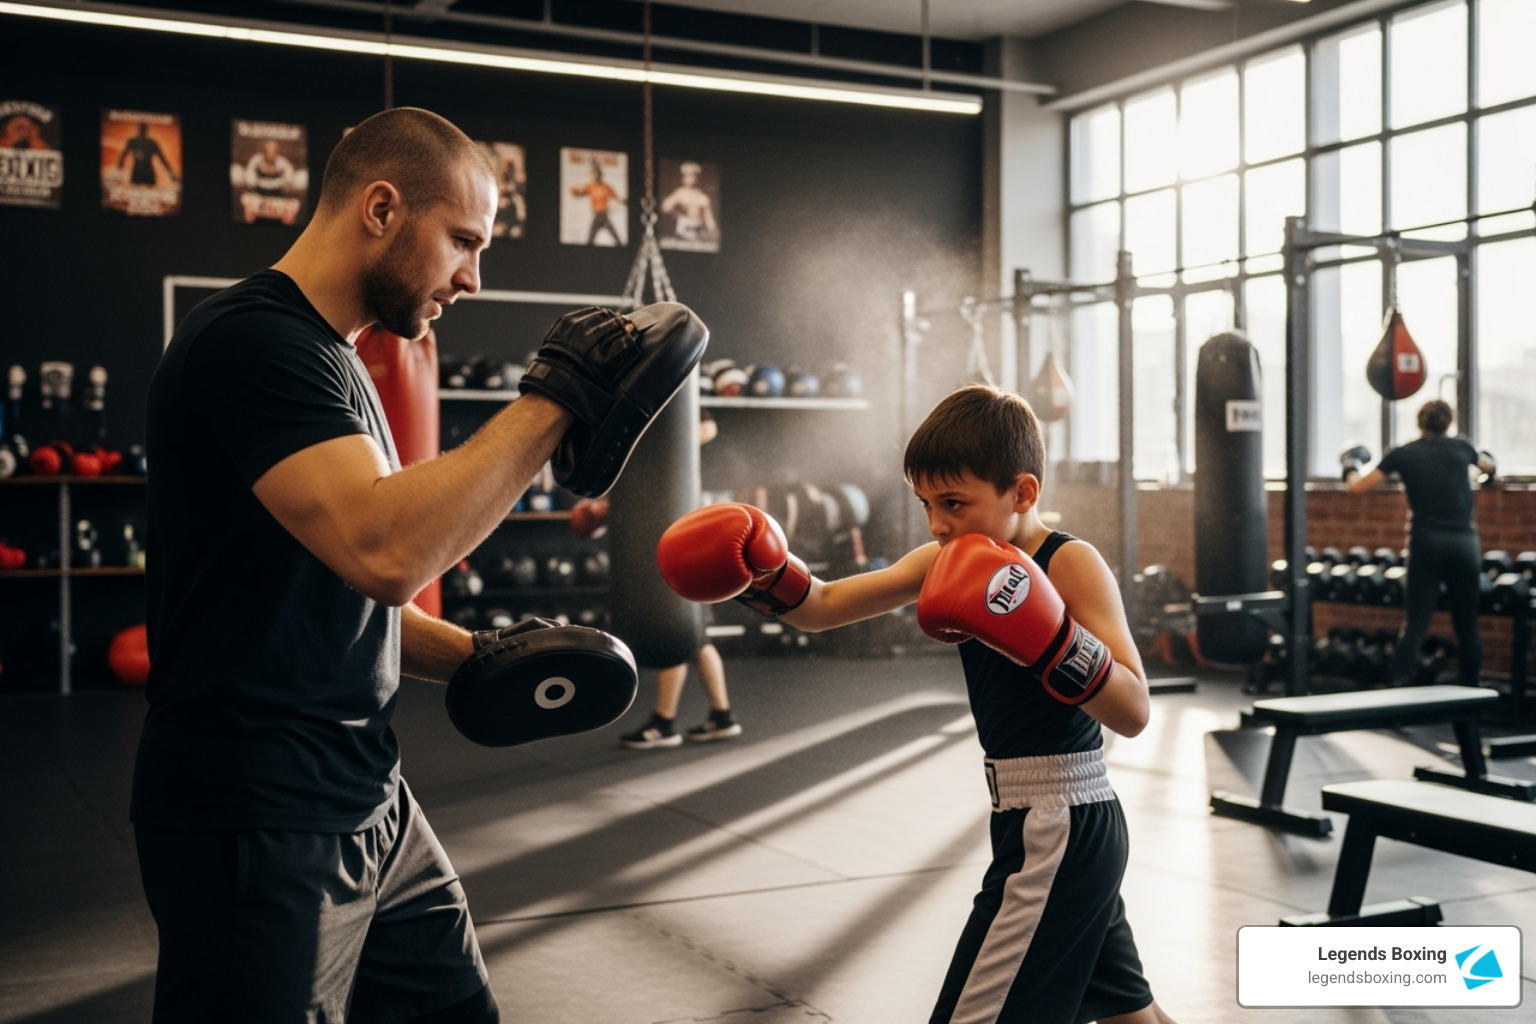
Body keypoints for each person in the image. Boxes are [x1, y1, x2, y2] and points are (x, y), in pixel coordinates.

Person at [132, 106, 697, 1024]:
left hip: (370, 795)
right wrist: (557, 395)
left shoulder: (338, 363)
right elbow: (385, 552)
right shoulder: (251, 343)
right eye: (464, 241)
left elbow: (330, 589)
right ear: (382, 208)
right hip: (256, 809)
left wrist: (476, 656)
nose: (473, 277)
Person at [655, 383, 1176, 1024]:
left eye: (954, 503)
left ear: (1022, 492)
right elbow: (823, 606)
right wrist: (766, 572)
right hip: (1036, 818)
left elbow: (1134, 709)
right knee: (1132, 1016)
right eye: (927, 504)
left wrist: (1051, 639)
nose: (937, 523)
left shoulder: (1069, 562)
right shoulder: (944, 558)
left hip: (1061, 821)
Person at [1344, 399, 1496, 687]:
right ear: (1449, 422)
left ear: (1420, 423)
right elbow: (1489, 468)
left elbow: (1358, 486)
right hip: (1464, 545)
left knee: (1415, 625)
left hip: (1426, 545)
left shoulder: (1403, 453)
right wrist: (1488, 468)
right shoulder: (1462, 447)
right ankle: (1471, 692)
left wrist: (1350, 464)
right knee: (1467, 625)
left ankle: (1397, 689)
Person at [659, 160, 718, 246]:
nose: (689, 178)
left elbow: (709, 217)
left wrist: (712, 231)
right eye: (686, 175)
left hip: (697, 226)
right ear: (682, 178)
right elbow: (665, 207)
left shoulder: (702, 197)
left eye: (692, 175)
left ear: (697, 178)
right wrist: (677, 212)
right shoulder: (680, 193)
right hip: (683, 226)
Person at [571, 161, 624, 246]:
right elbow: (580, 193)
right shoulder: (590, 186)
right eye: (593, 173)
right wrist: (575, 192)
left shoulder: (606, 187)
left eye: (596, 173)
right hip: (596, 216)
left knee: (617, 240)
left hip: (604, 216)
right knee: (590, 241)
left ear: (600, 174)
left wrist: (624, 201)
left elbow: (617, 198)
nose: (595, 175)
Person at [118, 121, 179, 186]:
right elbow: (122, 158)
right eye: (141, 129)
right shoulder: (133, 141)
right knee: (137, 190)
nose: (142, 131)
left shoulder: (150, 143)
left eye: (143, 129)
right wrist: (118, 175)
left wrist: (171, 175)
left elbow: (162, 159)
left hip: (147, 174)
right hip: (138, 173)